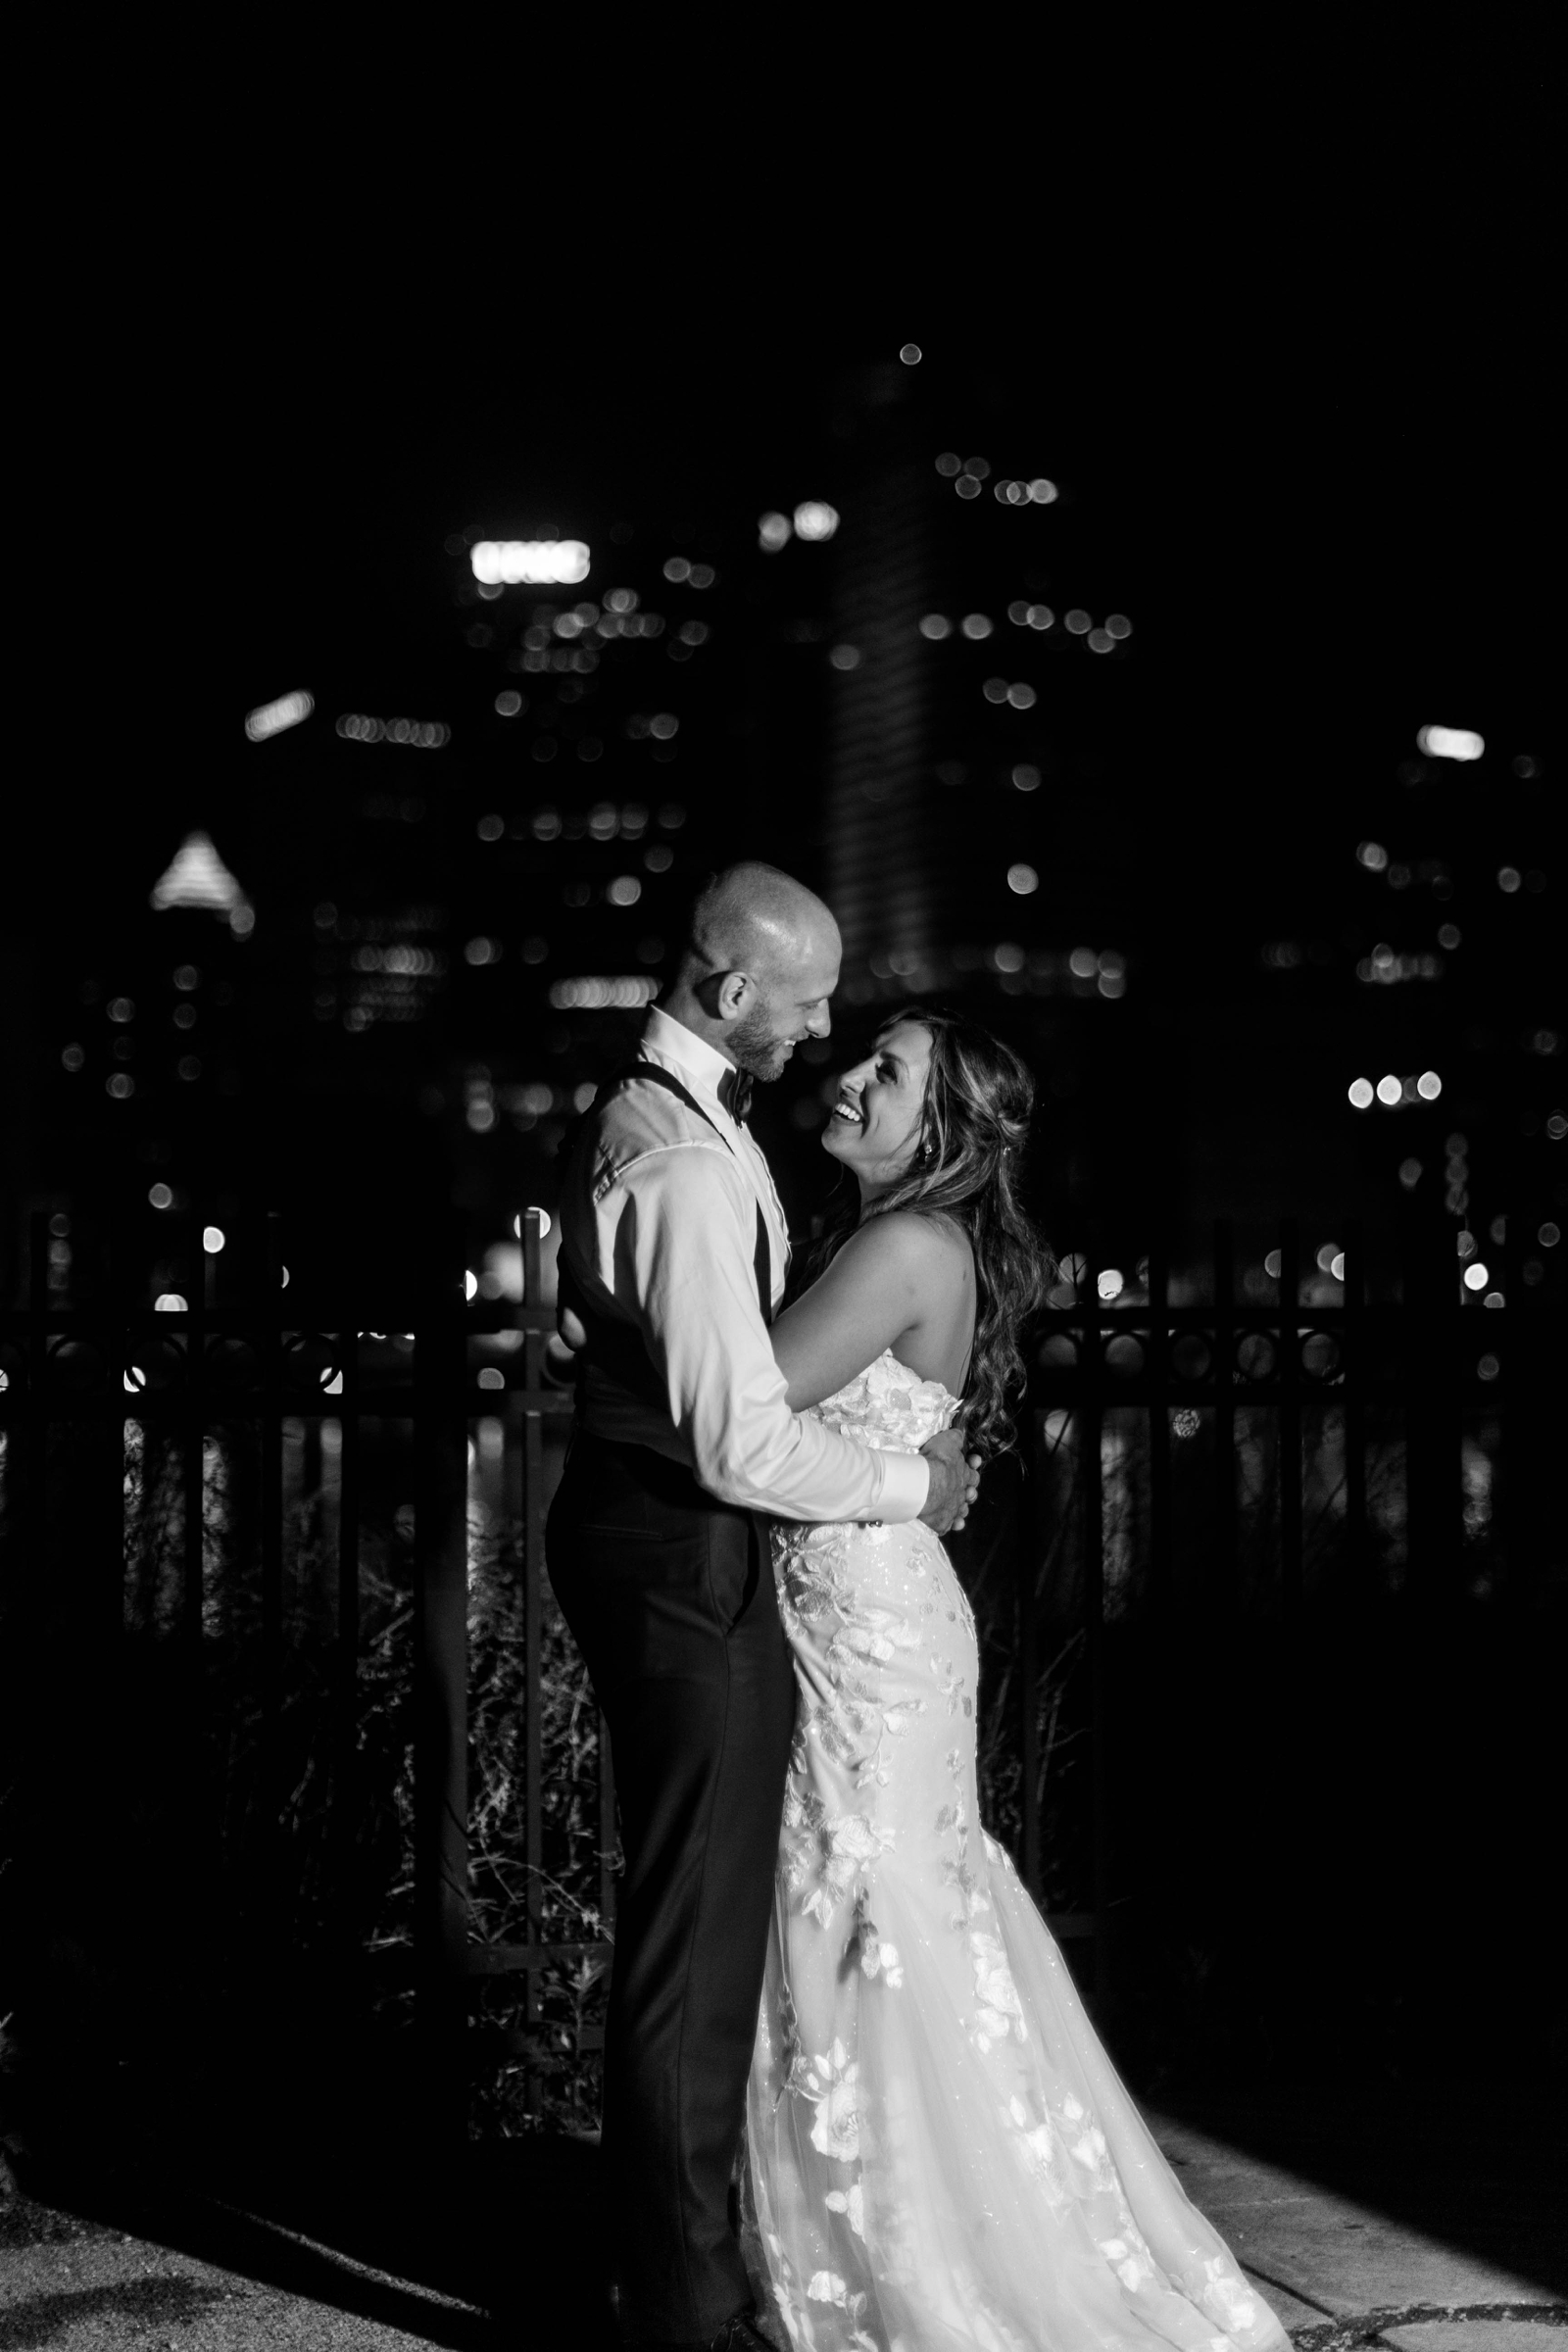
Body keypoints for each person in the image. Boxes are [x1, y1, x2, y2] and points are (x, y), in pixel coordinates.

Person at [742, 1007, 1291, 2352]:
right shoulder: (895, 1240)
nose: (852, 1077)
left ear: (943, 1131)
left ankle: (915, 2255)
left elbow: (746, 1404)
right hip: (869, 1605)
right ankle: (886, 2233)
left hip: (867, 1619)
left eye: (889, 1073)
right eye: (863, 1055)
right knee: (870, 1908)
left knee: (866, 1909)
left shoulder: (901, 1246)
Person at [547, 866, 982, 2352]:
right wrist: (913, 1487)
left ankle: (692, 2262)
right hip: (681, 1546)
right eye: (805, 1006)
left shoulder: (694, 1126)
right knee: (697, 1932)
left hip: (702, 1545)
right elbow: (738, 1441)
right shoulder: (676, 1154)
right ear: (732, 991)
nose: (818, 1034)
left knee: (726, 1914)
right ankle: (681, 2303)